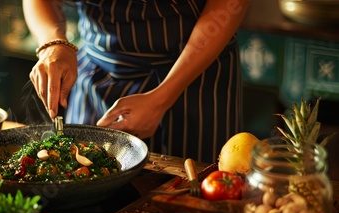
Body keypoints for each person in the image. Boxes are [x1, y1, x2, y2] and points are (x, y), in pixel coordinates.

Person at [22, 0, 250, 164]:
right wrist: (53, 43)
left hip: (194, 78)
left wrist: (163, 97)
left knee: (196, 204)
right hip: (95, 74)